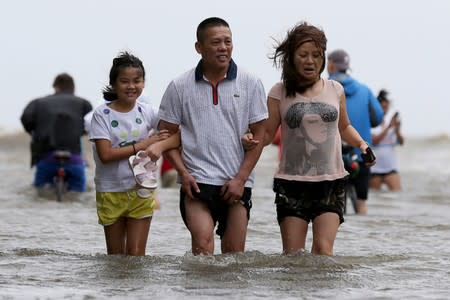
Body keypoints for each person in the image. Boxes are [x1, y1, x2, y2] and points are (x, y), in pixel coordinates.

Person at [243, 22, 374, 255]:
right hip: (291, 183)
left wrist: (363, 145)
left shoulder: (335, 89)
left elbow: (345, 127)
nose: (310, 60)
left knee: (324, 251)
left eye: (316, 55)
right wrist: (249, 141)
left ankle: (321, 293)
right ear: (292, 58)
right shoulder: (279, 92)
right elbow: (266, 134)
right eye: (303, 55)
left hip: (331, 182)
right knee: (293, 256)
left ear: (323, 58)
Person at [157, 17, 268, 255]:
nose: (223, 47)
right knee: (203, 248)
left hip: (236, 183)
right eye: (216, 42)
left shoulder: (251, 82)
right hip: (196, 182)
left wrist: (241, 178)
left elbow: (261, 134)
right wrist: (183, 173)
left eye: (228, 42)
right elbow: (165, 136)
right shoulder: (179, 86)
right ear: (199, 47)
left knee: (234, 256)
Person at [89, 52, 179, 256]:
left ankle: (137, 290)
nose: (131, 86)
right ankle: (117, 290)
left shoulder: (148, 112)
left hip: (142, 188)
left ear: (143, 83)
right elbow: (106, 155)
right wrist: (145, 144)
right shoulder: (101, 114)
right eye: (124, 81)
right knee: (115, 257)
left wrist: (159, 147)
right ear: (113, 84)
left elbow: (176, 133)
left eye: (137, 81)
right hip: (110, 190)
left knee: (137, 256)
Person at [327, 49, 383, 215]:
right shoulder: (364, 90)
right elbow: (378, 118)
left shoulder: (323, 89)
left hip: (332, 157)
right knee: (362, 205)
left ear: (330, 65)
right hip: (361, 155)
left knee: (333, 207)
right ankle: (362, 240)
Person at [20, 73, 93, 192]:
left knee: (39, 191)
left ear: (55, 87)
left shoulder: (37, 103)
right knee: (80, 192)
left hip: (47, 158)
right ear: (73, 88)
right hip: (73, 158)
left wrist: (36, 131)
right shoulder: (84, 103)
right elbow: (91, 124)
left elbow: (26, 119)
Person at [370, 89, 404, 191]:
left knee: (397, 194)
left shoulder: (391, 123)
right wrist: (388, 127)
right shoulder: (371, 123)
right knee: (375, 199)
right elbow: (374, 141)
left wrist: (397, 130)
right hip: (374, 169)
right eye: (382, 107)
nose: (384, 109)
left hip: (391, 168)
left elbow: (401, 142)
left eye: (386, 107)